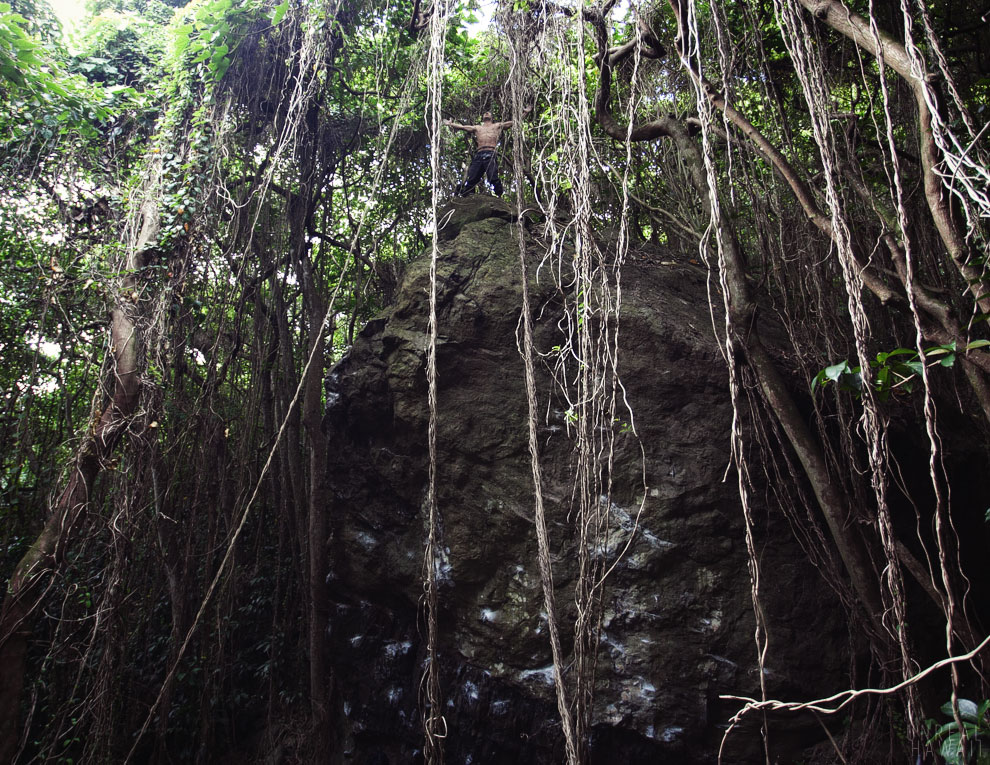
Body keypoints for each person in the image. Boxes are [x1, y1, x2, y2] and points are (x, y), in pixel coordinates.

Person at [444, 110, 519, 197]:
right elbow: (463, 127)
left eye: (489, 113)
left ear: (492, 117)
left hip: (490, 153)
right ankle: (466, 195)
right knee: (472, 177)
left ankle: (499, 195)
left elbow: (514, 122)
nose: (486, 113)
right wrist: (451, 124)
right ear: (482, 118)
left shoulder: (497, 126)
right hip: (479, 154)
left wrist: (525, 112)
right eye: (485, 113)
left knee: (493, 177)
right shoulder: (477, 128)